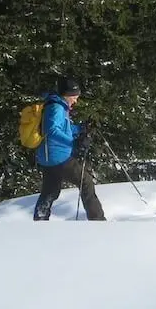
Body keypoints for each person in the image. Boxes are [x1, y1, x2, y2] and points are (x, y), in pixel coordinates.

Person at [31, 77, 105, 221]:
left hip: (48, 157)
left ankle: (40, 220)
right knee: (86, 182)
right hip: (58, 155)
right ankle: (98, 221)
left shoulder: (55, 104)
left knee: (50, 191)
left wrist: (79, 129)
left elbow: (62, 128)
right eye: (74, 97)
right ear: (66, 95)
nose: (75, 101)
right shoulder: (56, 108)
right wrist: (73, 143)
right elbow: (51, 130)